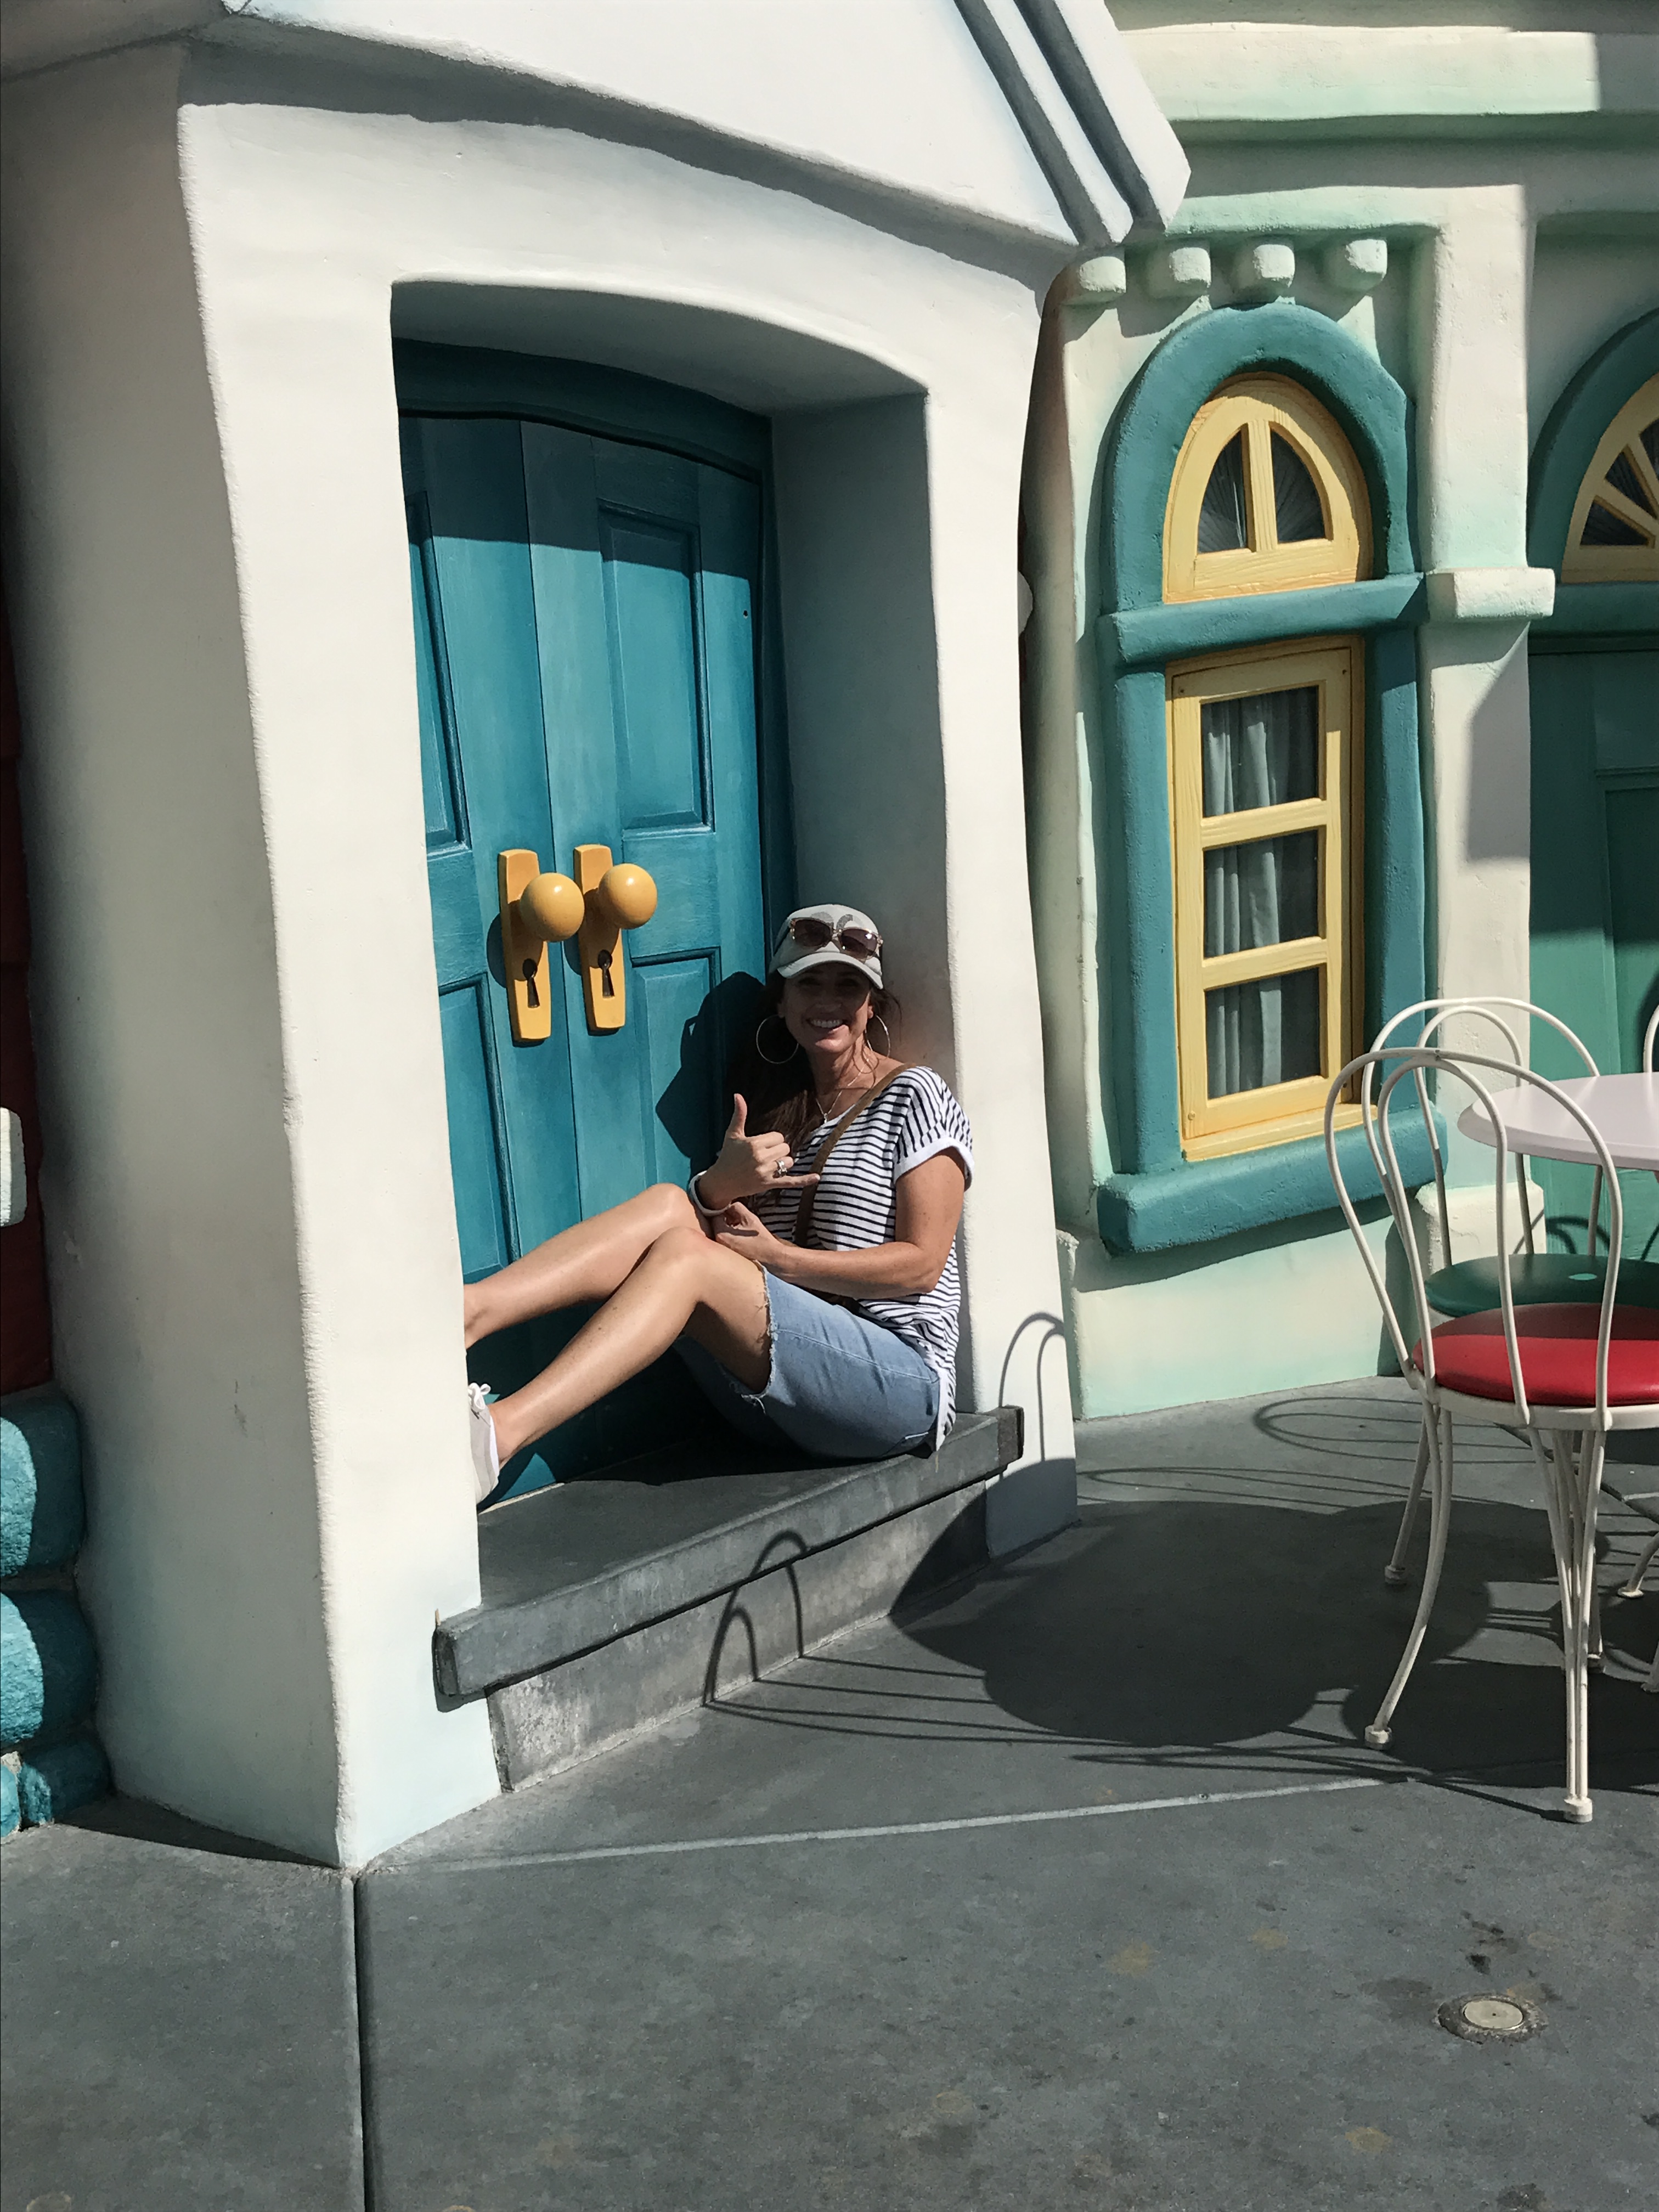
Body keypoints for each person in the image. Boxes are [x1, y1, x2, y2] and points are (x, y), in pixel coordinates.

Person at [464, 904, 972, 1502]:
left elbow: (921, 1266)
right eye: (810, 983)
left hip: (895, 1387)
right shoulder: (775, 1106)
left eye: (848, 986)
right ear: (781, 1001)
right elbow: (726, 1239)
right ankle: (467, 1315)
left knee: (689, 1258)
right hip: (775, 1397)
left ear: (871, 1005)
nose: (828, 1001)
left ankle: (499, 1436)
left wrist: (781, 1261)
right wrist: (720, 1186)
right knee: (670, 1205)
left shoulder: (914, 1094)